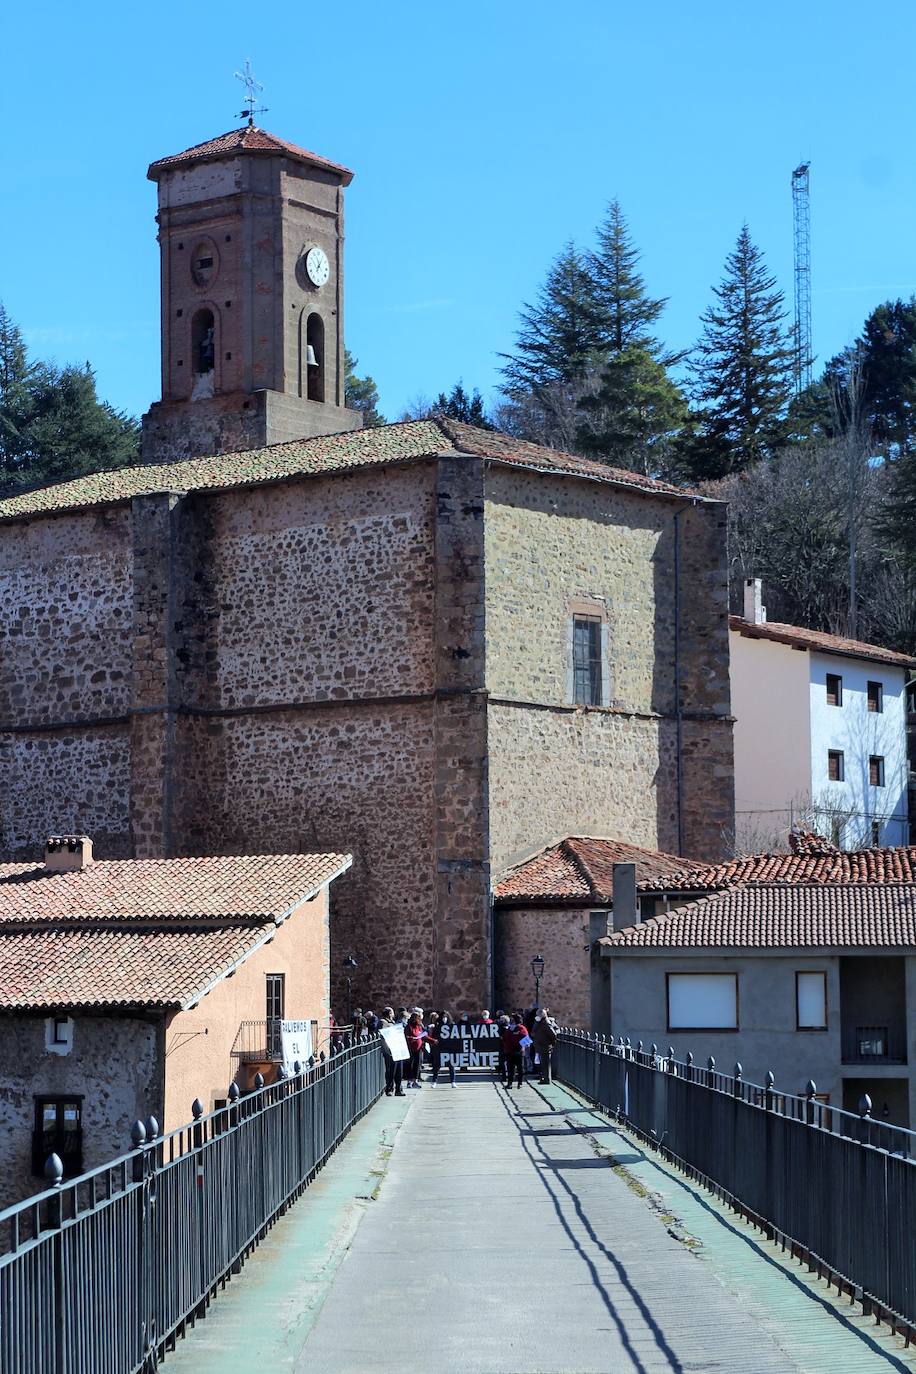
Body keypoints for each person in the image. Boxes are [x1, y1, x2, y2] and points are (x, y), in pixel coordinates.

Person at [379, 1006, 405, 1097]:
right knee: (391, 1071)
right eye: (392, 1013)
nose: (394, 1014)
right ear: (390, 1014)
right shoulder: (383, 1022)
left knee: (399, 1071)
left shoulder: (393, 1022)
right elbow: (382, 1035)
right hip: (390, 1050)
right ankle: (389, 1089)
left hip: (397, 1049)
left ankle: (398, 1089)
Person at [502, 1014, 529, 1090]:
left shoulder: (519, 1029)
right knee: (516, 1068)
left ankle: (514, 1083)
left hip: (515, 1051)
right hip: (514, 1051)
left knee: (515, 1068)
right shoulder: (513, 1029)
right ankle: (516, 1083)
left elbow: (504, 1038)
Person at [532, 1009, 558, 1084]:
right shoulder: (540, 1023)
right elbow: (534, 1031)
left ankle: (546, 1079)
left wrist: (551, 1043)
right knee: (543, 1064)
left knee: (545, 1064)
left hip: (545, 1046)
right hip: (541, 1045)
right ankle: (545, 1077)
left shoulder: (546, 1023)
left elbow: (553, 1034)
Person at [404, 1010, 427, 1089]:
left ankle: (415, 1081)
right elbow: (407, 1036)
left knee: (417, 1065)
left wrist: (433, 1041)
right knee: (410, 1065)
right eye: (417, 1018)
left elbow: (423, 1036)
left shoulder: (419, 1026)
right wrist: (412, 1038)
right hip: (411, 1048)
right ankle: (409, 1081)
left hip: (419, 1049)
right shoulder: (408, 1027)